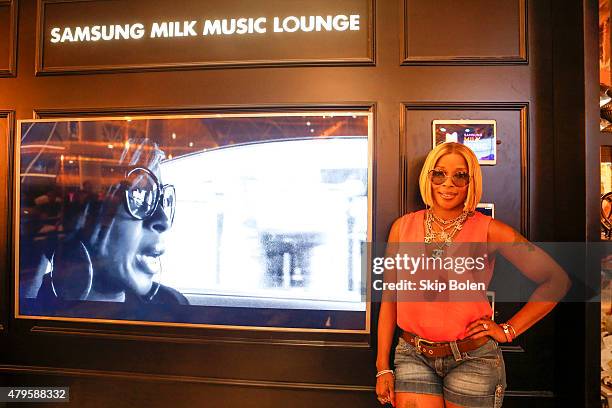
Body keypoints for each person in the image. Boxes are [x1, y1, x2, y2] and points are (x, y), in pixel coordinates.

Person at [375, 142, 570, 408]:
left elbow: (557, 280)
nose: (449, 183)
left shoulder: (489, 230)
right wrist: (382, 367)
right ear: (428, 178)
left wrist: (508, 330)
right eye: (439, 174)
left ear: (470, 182)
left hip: (473, 358)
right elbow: (389, 299)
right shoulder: (402, 228)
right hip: (413, 355)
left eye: (460, 175)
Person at [33, 138, 188, 308]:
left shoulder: (173, 305)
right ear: (84, 216)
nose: (163, 221)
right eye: (138, 196)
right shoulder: (32, 306)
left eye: (161, 199)